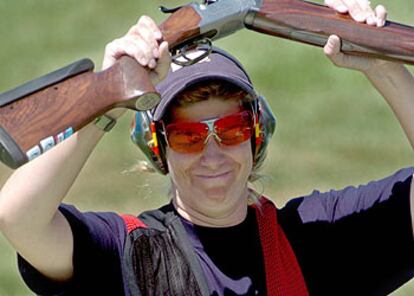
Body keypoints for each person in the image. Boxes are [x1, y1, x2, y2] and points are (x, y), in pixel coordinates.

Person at [1, 0, 414, 295]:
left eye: (231, 129)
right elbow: (20, 218)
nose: (212, 154)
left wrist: (383, 64)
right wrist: (108, 98)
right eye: (188, 136)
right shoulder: (131, 252)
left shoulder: (313, 239)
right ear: (158, 147)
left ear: (256, 136)